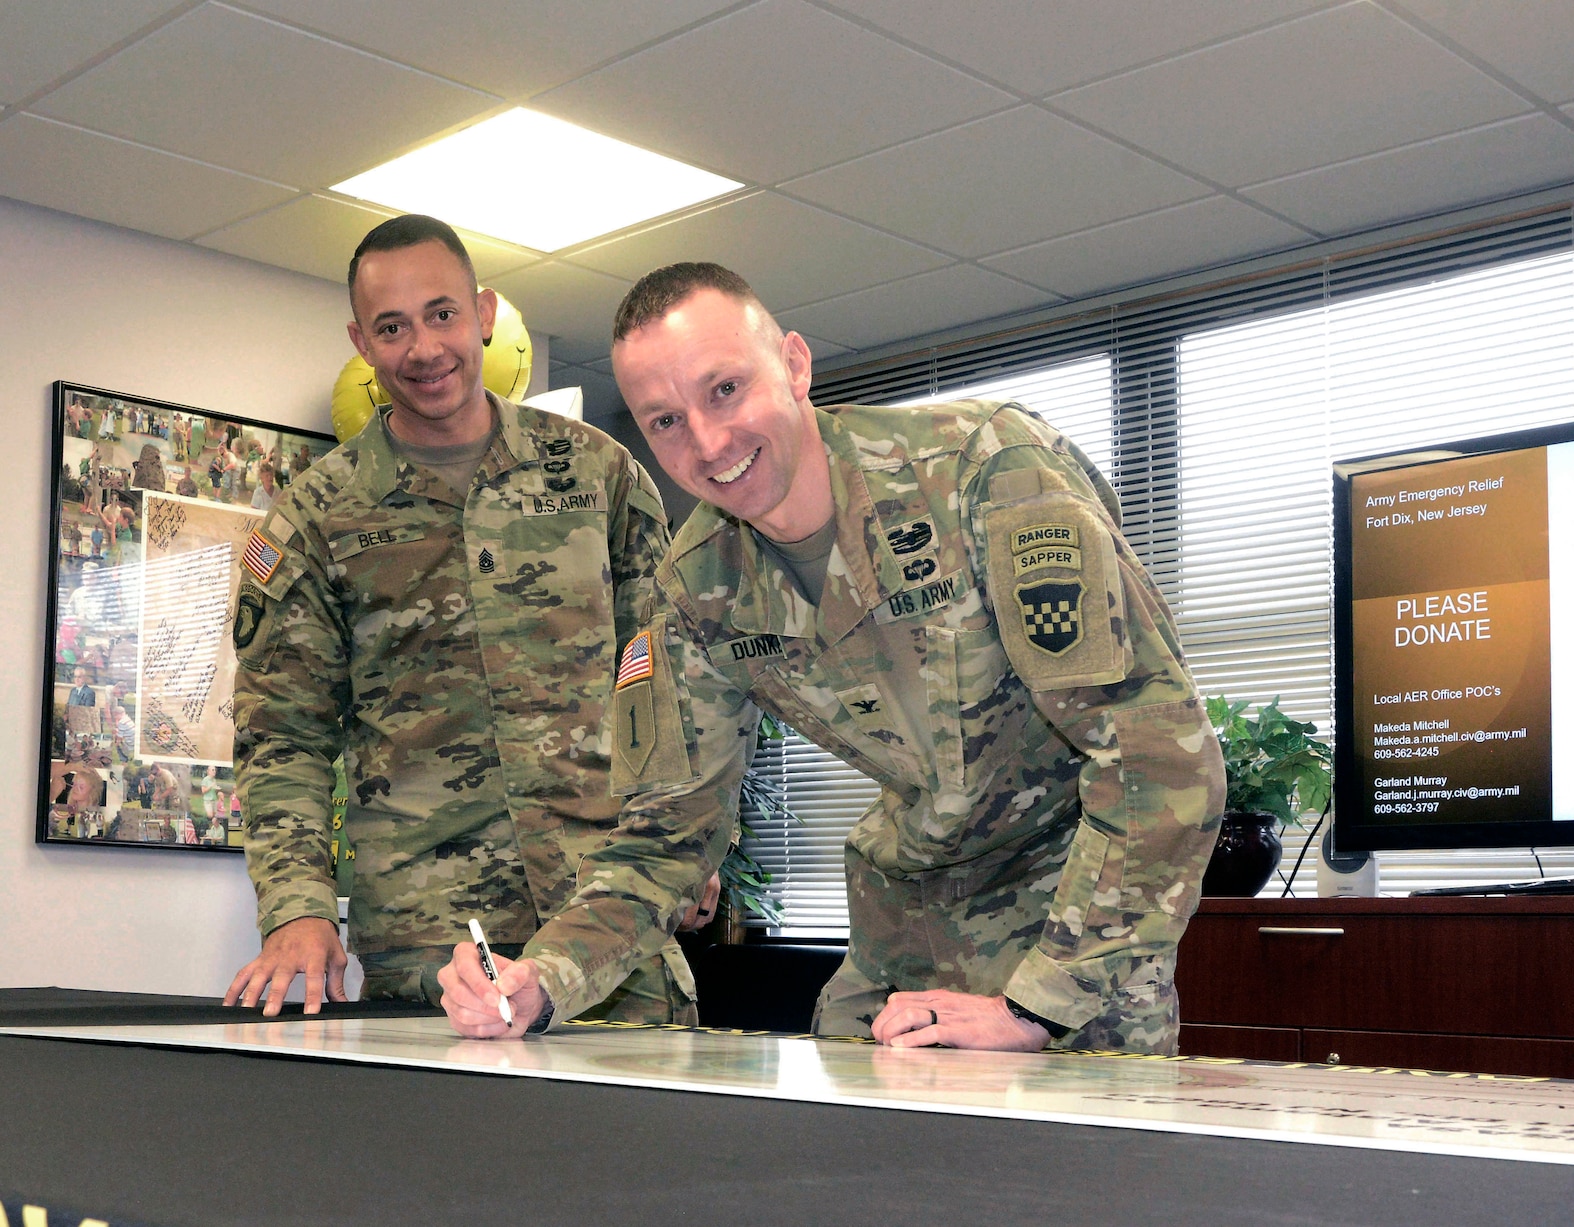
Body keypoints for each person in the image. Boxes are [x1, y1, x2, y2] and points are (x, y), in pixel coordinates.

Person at [442, 263, 1224, 1054]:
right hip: (901, 933)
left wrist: (1035, 1007)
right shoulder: (698, 586)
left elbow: (1157, 760)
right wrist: (540, 978)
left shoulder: (983, 474)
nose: (709, 443)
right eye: (665, 421)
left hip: (1074, 930)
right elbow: (665, 836)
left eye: (724, 390)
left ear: (794, 364)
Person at [224, 215, 716, 1020]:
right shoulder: (314, 519)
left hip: (609, 925)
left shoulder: (599, 476)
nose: (423, 348)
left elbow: (665, 678)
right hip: (431, 943)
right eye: (392, 326)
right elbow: (284, 734)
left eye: (442, 313)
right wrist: (297, 906)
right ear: (361, 340)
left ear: (484, 314)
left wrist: (682, 841)